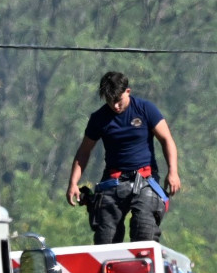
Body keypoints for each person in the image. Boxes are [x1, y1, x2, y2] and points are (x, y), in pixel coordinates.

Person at [66, 71, 181, 244]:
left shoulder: (145, 109)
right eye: (110, 102)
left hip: (145, 179)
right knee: (106, 238)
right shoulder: (99, 119)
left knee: (144, 230)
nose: (116, 106)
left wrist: (173, 171)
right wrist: (73, 183)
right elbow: (83, 152)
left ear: (128, 91)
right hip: (114, 181)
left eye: (118, 101)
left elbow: (167, 140)